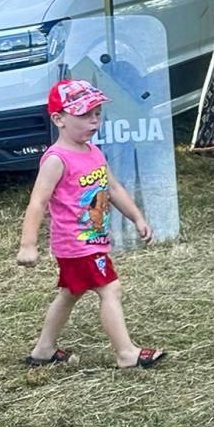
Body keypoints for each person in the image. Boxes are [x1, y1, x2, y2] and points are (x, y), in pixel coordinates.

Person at [17, 79, 165, 369]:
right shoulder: (56, 159)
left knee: (70, 293)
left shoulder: (93, 152)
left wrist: (136, 217)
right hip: (77, 244)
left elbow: (114, 188)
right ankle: (126, 353)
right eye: (84, 115)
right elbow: (37, 202)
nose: (94, 120)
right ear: (58, 119)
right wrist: (28, 245)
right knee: (110, 289)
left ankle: (43, 350)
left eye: (97, 113)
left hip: (92, 240)